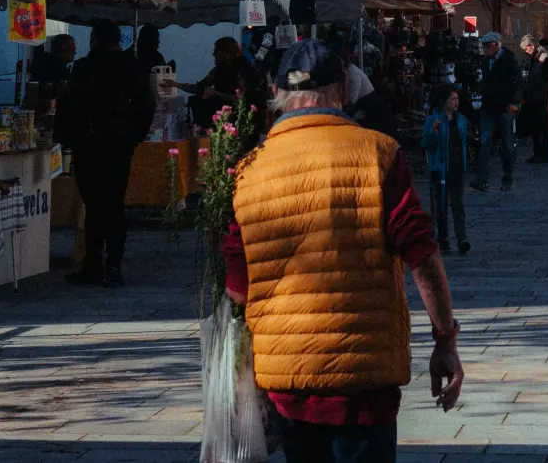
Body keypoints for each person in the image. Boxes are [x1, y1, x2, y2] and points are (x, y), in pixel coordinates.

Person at [221, 39, 463, 461]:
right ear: (345, 92)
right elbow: (421, 255)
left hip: (287, 379)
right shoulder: (378, 153)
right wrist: (444, 340)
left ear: (277, 95)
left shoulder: (248, 170)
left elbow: (238, 291)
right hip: (363, 383)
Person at [56, 19, 156, 287]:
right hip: (118, 145)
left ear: (95, 39)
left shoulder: (84, 68)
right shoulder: (130, 66)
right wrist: (134, 136)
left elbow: (68, 107)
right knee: (112, 204)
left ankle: (94, 263)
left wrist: (70, 137)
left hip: (90, 145)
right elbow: (147, 104)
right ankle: (112, 264)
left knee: (95, 204)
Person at [421, 82, 472, 255]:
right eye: (452, 99)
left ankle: (462, 238)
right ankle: (443, 239)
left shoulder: (461, 120)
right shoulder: (433, 120)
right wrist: (434, 132)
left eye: (457, 99)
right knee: (440, 205)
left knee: (458, 204)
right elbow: (426, 143)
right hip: (440, 168)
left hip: (457, 167)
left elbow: (464, 141)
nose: (456, 102)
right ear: (443, 101)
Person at [474, 32, 521, 191]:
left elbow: (517, 82)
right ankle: (482, 180)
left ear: (496, 44)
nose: (485, 48)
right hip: (488, 107)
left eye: (487, 45)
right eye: (484, 46)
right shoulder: (485, 61)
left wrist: (514, 102)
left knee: (507, 146)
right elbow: (486, 81)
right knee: (485, 143)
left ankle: (507, 178)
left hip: (505, 108)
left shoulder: (509, 59)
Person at [519, 35, 548, 165]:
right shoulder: (534, 58)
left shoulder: (544, 59)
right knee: (535, 128)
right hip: (533, 97)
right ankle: (538, 153)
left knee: (543, 127)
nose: (525, 52)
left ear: (531, 46)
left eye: (526, 49)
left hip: (540, 98)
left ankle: (544, 154)